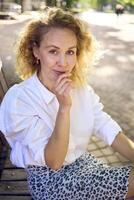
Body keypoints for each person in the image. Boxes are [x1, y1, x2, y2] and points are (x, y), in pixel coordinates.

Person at [0, 7, 134, 200]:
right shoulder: (20, 99)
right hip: (50, 181)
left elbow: (106, 127)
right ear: (36, 50)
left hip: (82, 163)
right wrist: (64, 108)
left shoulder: (80, 89)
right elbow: (54, 161)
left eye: (70, 52)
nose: (63, 62)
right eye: (53, 51)